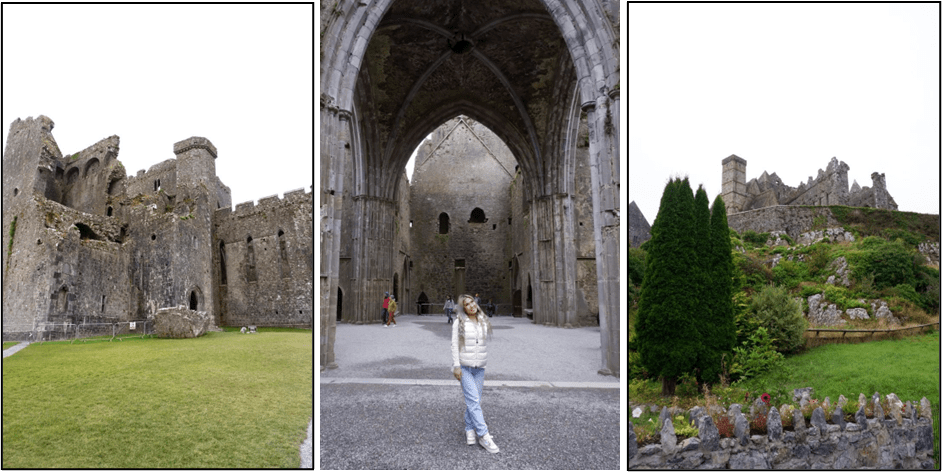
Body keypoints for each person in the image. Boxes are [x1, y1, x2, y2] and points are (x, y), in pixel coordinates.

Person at [451, 294, 498, 453]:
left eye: (473, 303)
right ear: (463, 308)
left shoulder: (483, 320)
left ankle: (469, 428)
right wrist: (456, 366)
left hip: (479, 368)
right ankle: (484, 435)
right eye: (467, 304)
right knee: (473, 400)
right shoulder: (459, 322)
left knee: (474, 401)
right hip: (465, 367)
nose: (471, 306)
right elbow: (454, 344)